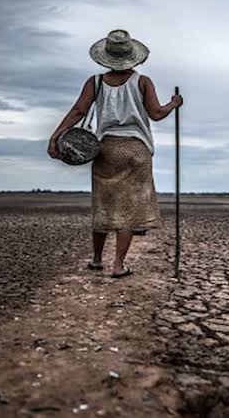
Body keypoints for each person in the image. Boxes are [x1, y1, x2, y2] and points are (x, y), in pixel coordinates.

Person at [48, 29, 183, 278]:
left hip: (105, 148)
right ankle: (118, 265)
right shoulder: (142, 82)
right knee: (129, 210)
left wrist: (56, 135)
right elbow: (156, 113)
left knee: (104, 204)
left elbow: (78, 111)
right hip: (136, 149)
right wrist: (173, 104)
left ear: (106, 57)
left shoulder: (96, 82)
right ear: (133, 56)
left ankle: (97, 259)